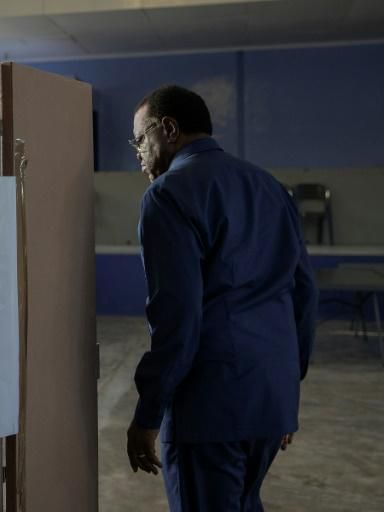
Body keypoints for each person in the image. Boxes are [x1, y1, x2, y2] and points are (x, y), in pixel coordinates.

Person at [125, 85, 318, 511]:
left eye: (140, 139)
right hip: (270, 401)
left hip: (209, 409)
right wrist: (283, 395)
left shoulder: (168, 194)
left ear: (168, 129)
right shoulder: (271, 188)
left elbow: (176, 318)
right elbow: (304, 295)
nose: (138, 153)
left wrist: (148, 413)